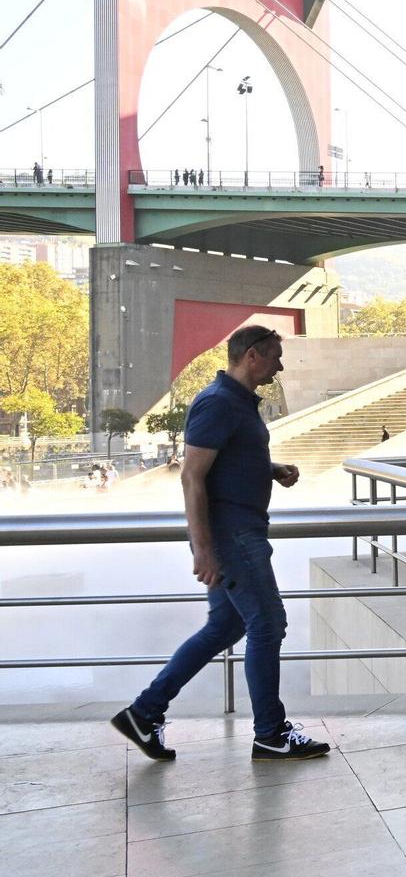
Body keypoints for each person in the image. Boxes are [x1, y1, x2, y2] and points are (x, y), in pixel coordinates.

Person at [110, 325, 328, 763]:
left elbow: (226, 459)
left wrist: (270, 468)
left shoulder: (236, 403)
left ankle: (144, 712)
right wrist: (203, 549)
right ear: (251, 356)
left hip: (240, 530)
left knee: (225, 628)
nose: (279, 366)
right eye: (274, 358)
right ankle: (270, 733)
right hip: (233, 535)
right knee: (268, 625)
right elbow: (192, 475)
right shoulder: (217, 403)